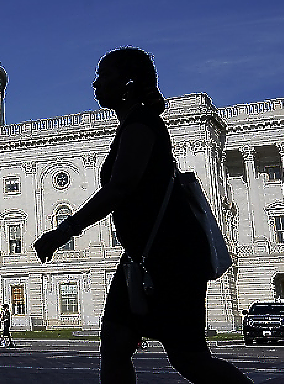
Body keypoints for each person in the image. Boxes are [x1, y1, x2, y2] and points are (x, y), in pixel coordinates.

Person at [34, 47, 252, 384]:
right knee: (116, 344)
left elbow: (119, 188)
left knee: (188, 358)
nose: (95, 84)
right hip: (143, 257)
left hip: (170, 256)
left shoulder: (141, 125)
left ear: (128, 83)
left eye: (104, 76)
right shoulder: (132, 125)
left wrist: (62, 233)